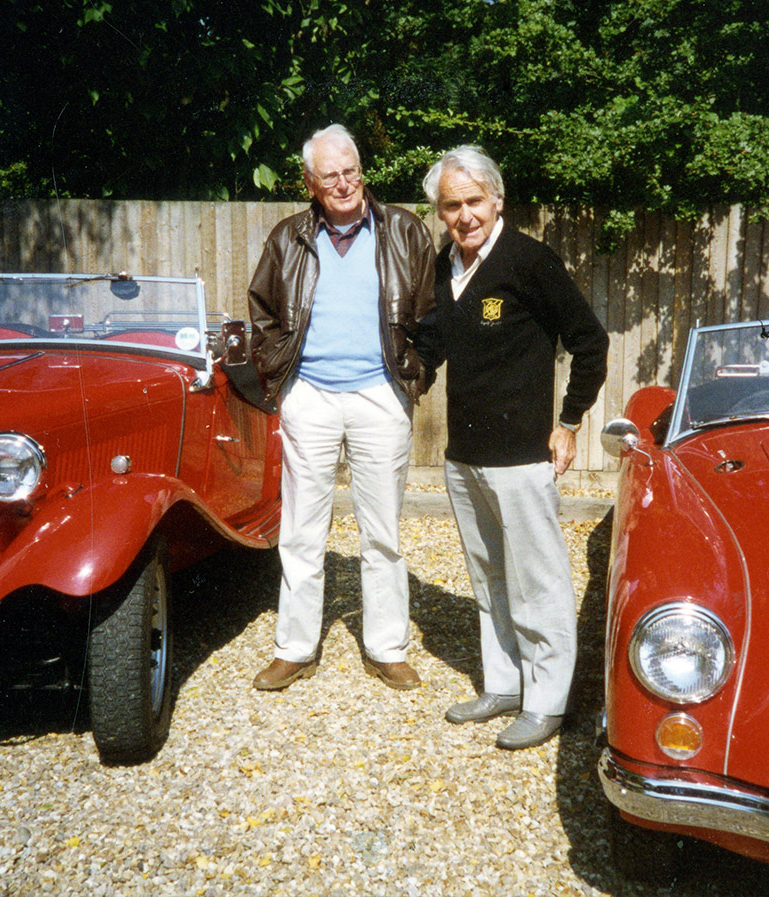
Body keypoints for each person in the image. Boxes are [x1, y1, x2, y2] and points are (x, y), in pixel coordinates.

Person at [417, 145, 608, 750]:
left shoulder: (529, 261)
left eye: (474, 201)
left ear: (497, 200)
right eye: (452, 205)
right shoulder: (445, 266)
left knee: (539, 580)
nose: (465, 215)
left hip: (523, 456)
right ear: (441, 213)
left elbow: (590, 342)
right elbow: (431, 347)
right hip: (464, 456)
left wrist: (569, 421)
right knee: (488, 574)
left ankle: (548, 699)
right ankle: (503, 684)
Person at [246, 124, 436, 692]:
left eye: (351, 170)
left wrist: (413, 375)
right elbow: (262, 314)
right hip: (312, 396)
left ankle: (386, 646)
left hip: (381, 394)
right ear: (310, 182)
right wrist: (285, 381)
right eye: (330, 175)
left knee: (382, 531)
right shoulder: (287, 238)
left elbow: (431, 315)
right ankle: (296, 647)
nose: (344, 182)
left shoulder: (404, 231)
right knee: (302, 529)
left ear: (362, 171)